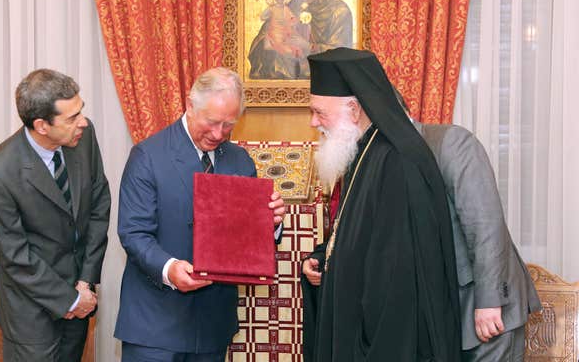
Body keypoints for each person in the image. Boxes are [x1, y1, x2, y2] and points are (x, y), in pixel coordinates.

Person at [114, 67, 286, 361]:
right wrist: (169, 269)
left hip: (211, 326)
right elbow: (133, 233)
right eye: (212, 122)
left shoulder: (240, 160)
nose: (219, 134)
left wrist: (269, 224)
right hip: (155, 325)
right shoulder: (148, 156)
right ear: (190, 105)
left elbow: (244, 239)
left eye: (229, 125)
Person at [303, 48, 461, 361]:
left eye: (320, 112)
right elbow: (354, 234)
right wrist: (324, 257)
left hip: (383, 340)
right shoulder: (360, 152)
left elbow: (397, 275)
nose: (313, 122)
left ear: (353, 108)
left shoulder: (396, 161)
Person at [0, 69, 110, 361]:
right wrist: (70, 299)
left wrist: (85, 282)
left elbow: (99, 204)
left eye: (81, 111)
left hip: (79, 292)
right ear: (42, 125)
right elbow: (16, 256)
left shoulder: (84, 138)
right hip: (30, 311)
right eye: (71, 118)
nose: (83, 122)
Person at [400, 93, 541, 361]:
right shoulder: (391, 157)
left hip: (484, 307)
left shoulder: (449, 142)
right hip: (444, 309)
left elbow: (485, 224)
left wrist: (489, 301)